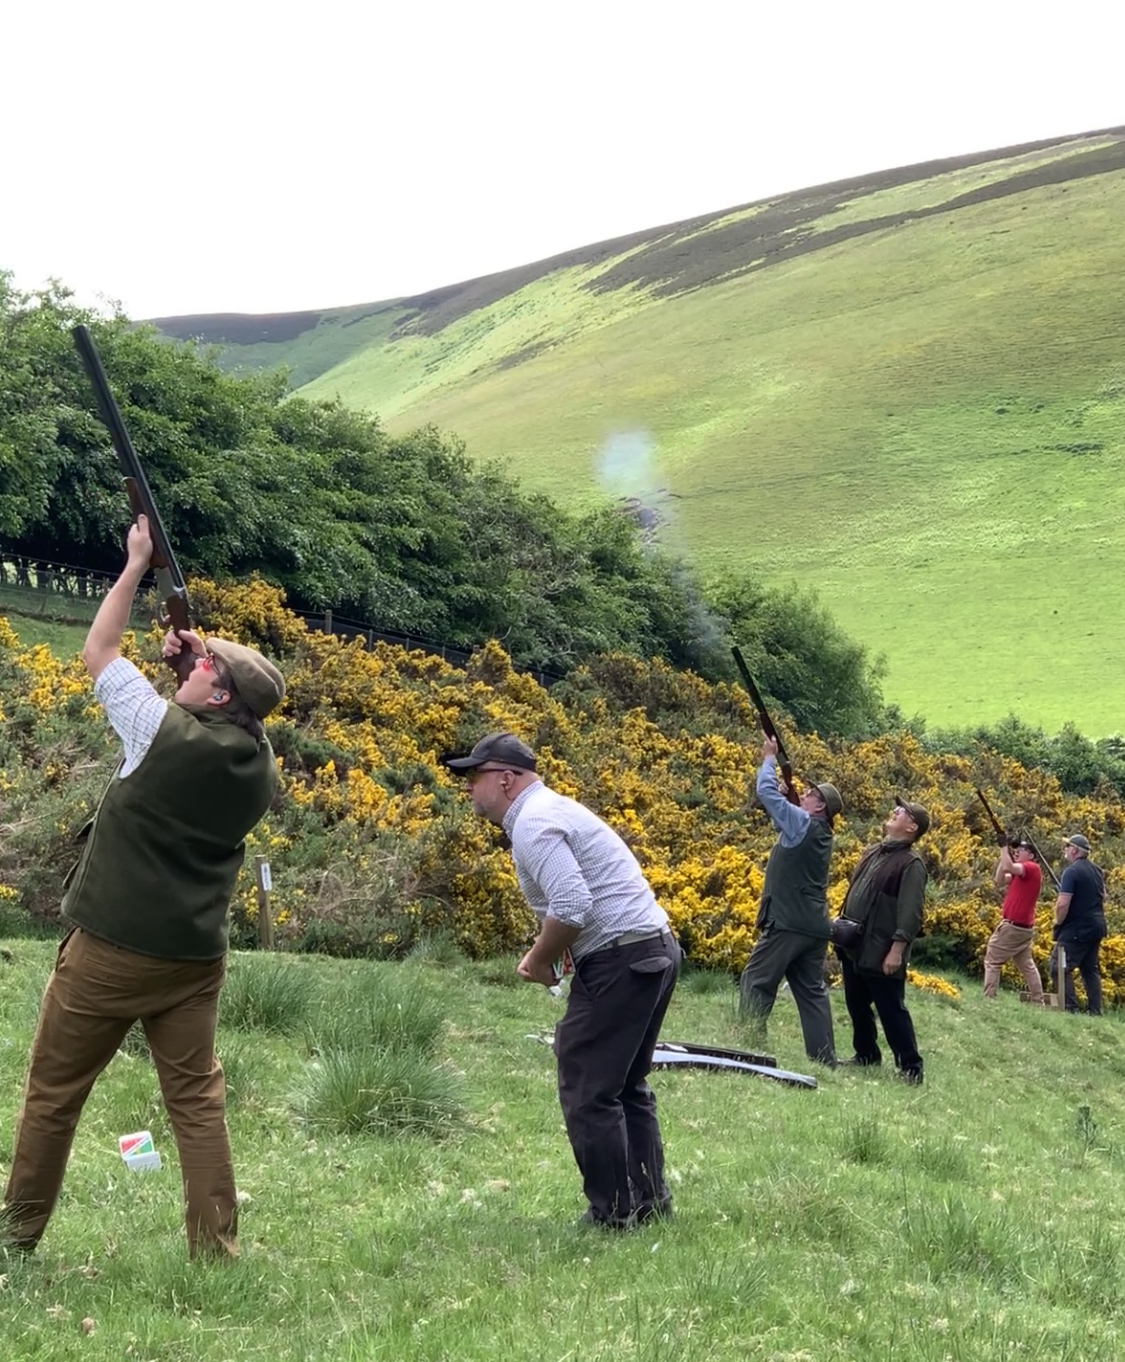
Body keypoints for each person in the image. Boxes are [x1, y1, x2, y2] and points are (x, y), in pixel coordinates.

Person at [2, 516, 283, 1258]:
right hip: (193, 960)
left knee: (53, 1096)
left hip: (111, 951)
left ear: (218, 698)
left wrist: (132, 566)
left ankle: (16, 1238)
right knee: (196, 1101)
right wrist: (196, 659)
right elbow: (240, 710)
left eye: (202, 670)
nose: (190, 669)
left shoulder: (154, 731)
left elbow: (97, 652)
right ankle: (215, 1250)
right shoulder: (258, 764)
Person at [447, 731, 681, 1230]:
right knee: (625, 1086)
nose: (468, 789)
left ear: (506, 779)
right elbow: (576, 906)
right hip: (652, 951)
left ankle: (614, 1214)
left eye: (475, 777)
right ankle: (647, 1201)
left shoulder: (534, 823)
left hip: (624, 960)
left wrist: (537, 958)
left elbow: (573, 906)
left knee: (588, 1089)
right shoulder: (550, 811)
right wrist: (557, 953)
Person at [738, 737, 842, 1065]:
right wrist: (790, 802)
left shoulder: (803, 823)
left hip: (787, 922)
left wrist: (769, 759)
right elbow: (785, 825)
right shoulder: (819, 831)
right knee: (812, 993)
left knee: (756, 980)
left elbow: (765, 794)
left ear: (820, 806)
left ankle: (748, 1042)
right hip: (813, 925)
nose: (805, 795)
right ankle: (824, 1058)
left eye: (810, 795)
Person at [835, 798, 928, 1083]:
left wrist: (896, 950)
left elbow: (910, 913)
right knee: (856, 1003)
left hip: (882, 949)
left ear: (912, 827)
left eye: (902, 812)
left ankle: (911, 1068)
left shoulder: (911, 864)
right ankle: (866, 1054)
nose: (895, 812)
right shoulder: (874, 851)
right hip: (855, 944)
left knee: (891, 1010)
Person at [1050, 833, 1107, 1015]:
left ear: (1074, 850)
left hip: (1077, 929)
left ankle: (1070, 1008)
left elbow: (1063, 903)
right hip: (1097, 926)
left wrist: (1058, 921)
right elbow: (1101, 896)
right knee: (1090, 970)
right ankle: (1095, 1012)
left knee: (1058, 966)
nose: (1065, 850)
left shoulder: (1071, 871)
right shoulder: (1097, 870)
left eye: (1067, 847)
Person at [982, 838, 1045, 1002]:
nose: (1017, 851)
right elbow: (1000, 879)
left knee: (992, 960)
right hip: (1022, 927)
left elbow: (1009, 867)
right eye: (1015, 850)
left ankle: (989, 998)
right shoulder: (1022, 873)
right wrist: (1004, 856)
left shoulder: (1031, 868)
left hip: (1014, 926)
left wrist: (1004, 849)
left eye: (1021, 850)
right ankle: (1038, 1001)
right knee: (1027, 965)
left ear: (1031, 855)